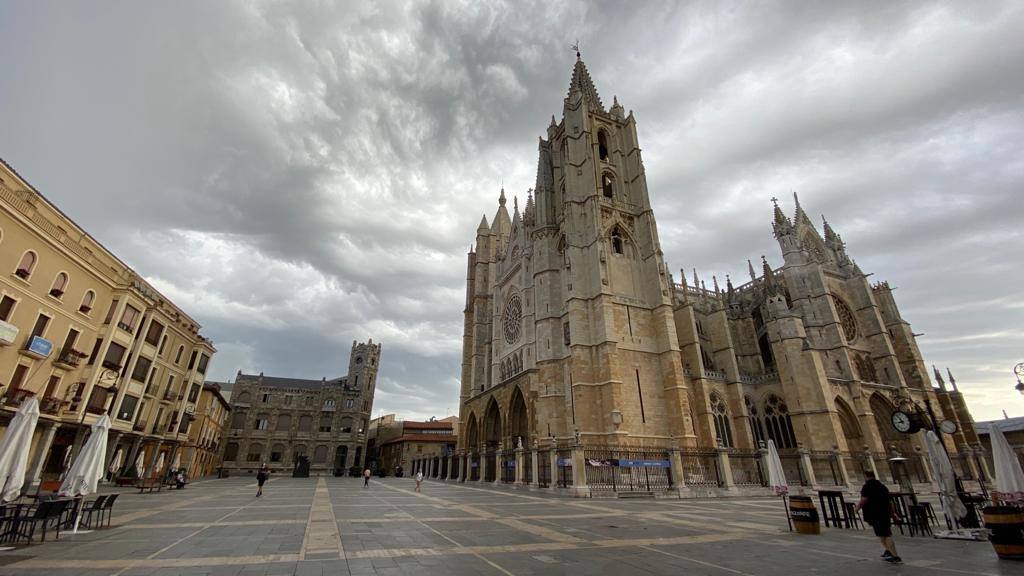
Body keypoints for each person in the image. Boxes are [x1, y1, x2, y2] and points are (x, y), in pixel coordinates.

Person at [856, 471, 901, 564]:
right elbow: (890, 501)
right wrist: (893, 513)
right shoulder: (882, 486)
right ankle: (888, 551)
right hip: (885, 512)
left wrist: (856, 509)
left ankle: (896, 556)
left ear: (865, 476)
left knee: (886, 534)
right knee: (881, 533)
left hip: (875, 514)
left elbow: (864, 500)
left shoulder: (867, 486)